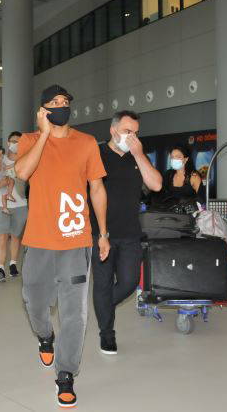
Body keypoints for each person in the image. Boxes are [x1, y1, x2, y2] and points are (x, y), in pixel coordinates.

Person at [15, 84, 110, 408]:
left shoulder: (86, 143)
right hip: (39, 240)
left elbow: (97, 188)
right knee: (34, 300)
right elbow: (22, 172)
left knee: (74, 313)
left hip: (75, 239)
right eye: (54, 102)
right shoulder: (29, 140)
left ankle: (66, 373)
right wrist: (43, 134)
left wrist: (103, 232)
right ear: (43, 110)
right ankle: (45, 337)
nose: (61, 105)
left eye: (65, 101)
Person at [89, 111, 163, 355]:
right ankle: (107, 334)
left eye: (135, 133)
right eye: (126, 131)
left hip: (130, 232)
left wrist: (139, 154)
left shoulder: (137, 155)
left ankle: (103, 305)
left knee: (129, 282)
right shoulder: (96, 153)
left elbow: (156, 184)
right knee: (102, 283)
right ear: (113, 130)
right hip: (101, 233)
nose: (131, 137)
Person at [0, 132, 28, 282]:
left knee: (16, 236)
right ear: (8, 142)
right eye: (13, 141)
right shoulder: (0, 159)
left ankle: (13, 264)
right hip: (1, 205)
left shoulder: (26, 159)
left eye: (19, 142)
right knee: (2, 236)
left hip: (20, 205)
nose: (16, 144)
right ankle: (0, 267)